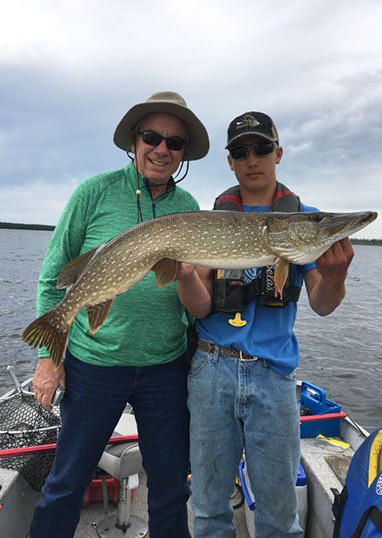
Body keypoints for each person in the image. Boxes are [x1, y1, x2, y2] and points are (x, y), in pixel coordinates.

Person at [29, 90, 209, 538]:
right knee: (67, 482)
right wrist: (49, 358)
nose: (162, 149)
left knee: (171, 486)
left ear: (183, 152)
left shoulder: (188, 207)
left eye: (174, 142)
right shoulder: (94, 192)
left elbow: (195, 294)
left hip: (165, 366)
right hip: (95, 366)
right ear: (134, 141)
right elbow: (53, 274)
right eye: (152, 137)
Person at [177, 111, 354, 537]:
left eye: (261, 148)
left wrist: (335, 277)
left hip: (273, 376)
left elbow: (322, 304)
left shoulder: (304, 220)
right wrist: (183, 274)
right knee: (208, 511)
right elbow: (200, 308)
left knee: (279, 516)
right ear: (230, 161)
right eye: (241, 152)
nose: (252, 158)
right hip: (211, 369)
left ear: (278, 153)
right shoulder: (213, 220)